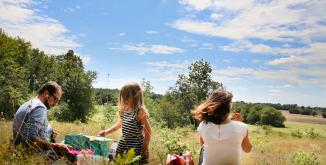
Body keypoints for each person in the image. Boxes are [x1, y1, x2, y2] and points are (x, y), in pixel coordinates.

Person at [12, 81, 71, 158]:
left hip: (18, 150)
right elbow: (29, 140)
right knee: (69, 145)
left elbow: (29, 128)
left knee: (50, 129)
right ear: (46, 93)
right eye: (55, 99)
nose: (55, 103)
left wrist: (50, 132)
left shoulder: (28, 103)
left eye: (58, 101)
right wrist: (56, 146)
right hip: (33, 155)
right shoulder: (40, 108)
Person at [193, 88, 252, 165]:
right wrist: (239, 123)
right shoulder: (242, 127)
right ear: (228, 107)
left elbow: (203, 145)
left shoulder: (203, 125)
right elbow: (247, 149)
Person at [98, 82, 152, 164]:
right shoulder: (123, 111)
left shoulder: (140, 112)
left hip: (136, 148)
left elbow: (148, 133)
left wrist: (143, 150)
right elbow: (119, 125)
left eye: (127, 96)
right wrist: (106, 132)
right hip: (123, 145)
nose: (125, 99)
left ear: (136, 96)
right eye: (123, 96)